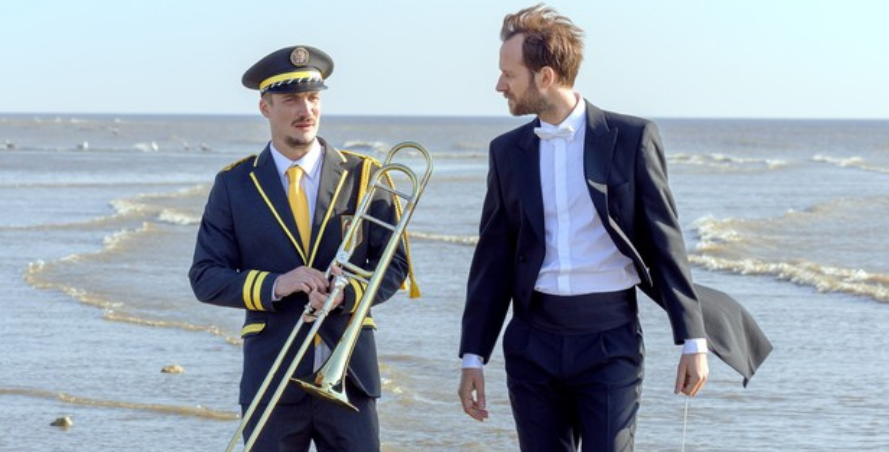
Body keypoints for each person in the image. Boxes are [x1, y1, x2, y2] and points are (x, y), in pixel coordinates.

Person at [457, 5, 771, 452]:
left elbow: (666, 241)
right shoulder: (507, 151)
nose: (499, 85)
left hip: (609, 342)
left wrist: (692, 339)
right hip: (531, 344)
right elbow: (493, 257)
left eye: (509, 74)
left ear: (545, 77)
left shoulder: (631, 138)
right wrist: (473, 355)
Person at [189, 44, 411, 452]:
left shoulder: (366, 176)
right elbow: (205, 278)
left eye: (313, 97)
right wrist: (278, 283)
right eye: (291, 99)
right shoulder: (235, 185)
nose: (305, 109)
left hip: (350, 376)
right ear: (265, 107)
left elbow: (394, 265)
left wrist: (348, 295)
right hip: (271, 374)